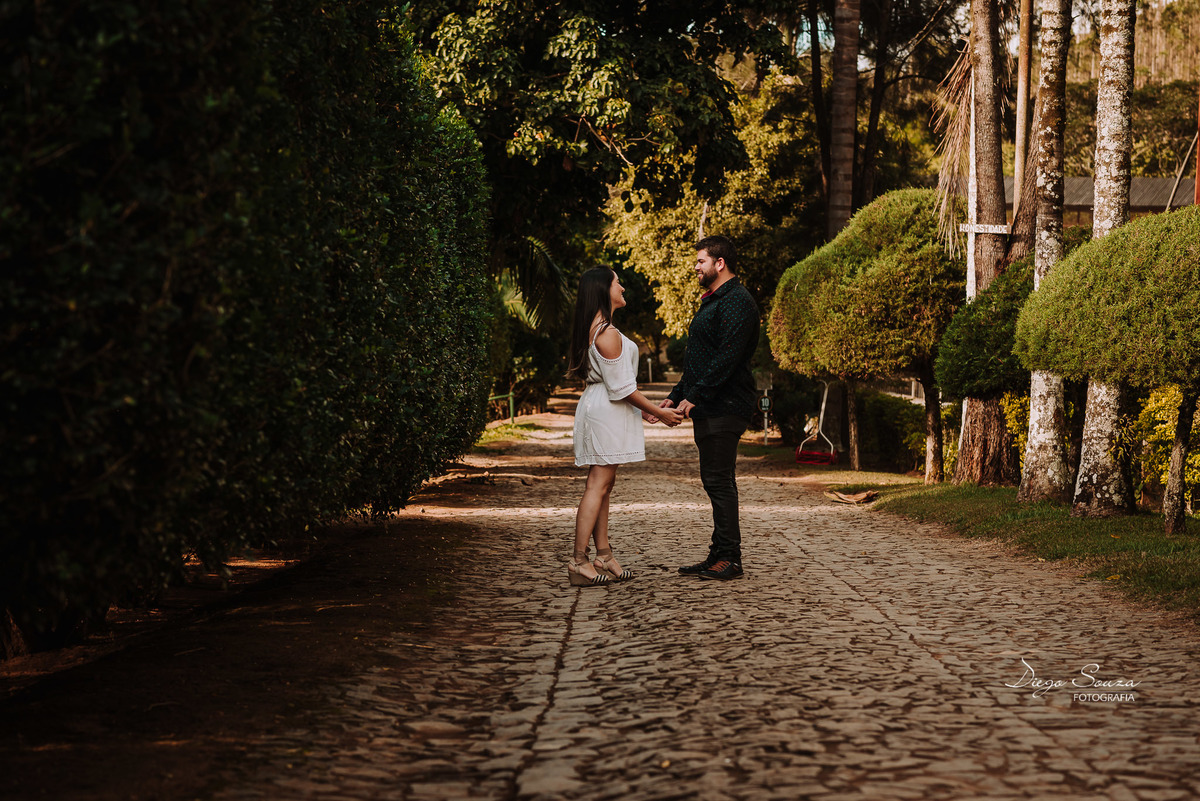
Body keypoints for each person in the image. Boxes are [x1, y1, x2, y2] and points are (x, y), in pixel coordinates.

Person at [567, 267, 683, 587]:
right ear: (604, 290)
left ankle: (603, 554)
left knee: (604, 485)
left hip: (602, 407)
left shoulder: (599, 328)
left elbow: (618, 386)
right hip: (606, 411)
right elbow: (622, 389)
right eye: (617, 281)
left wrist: (645, 412)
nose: (622, 286)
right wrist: (659, 413)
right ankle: (579, 560)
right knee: (597, 485)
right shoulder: (606, 332)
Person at [655, 235, 759, 581]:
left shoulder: (738, 302)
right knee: (716, 480)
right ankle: (719, 554)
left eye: (701, 261)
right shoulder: (715, 301)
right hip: (712, 404)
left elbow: (726, 358)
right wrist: (677, 393)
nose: (695, 266)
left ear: (720, 263)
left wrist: (696, 395)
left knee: (719, 481)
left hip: (725, 405)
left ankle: (730, 557)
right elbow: (700, 358)